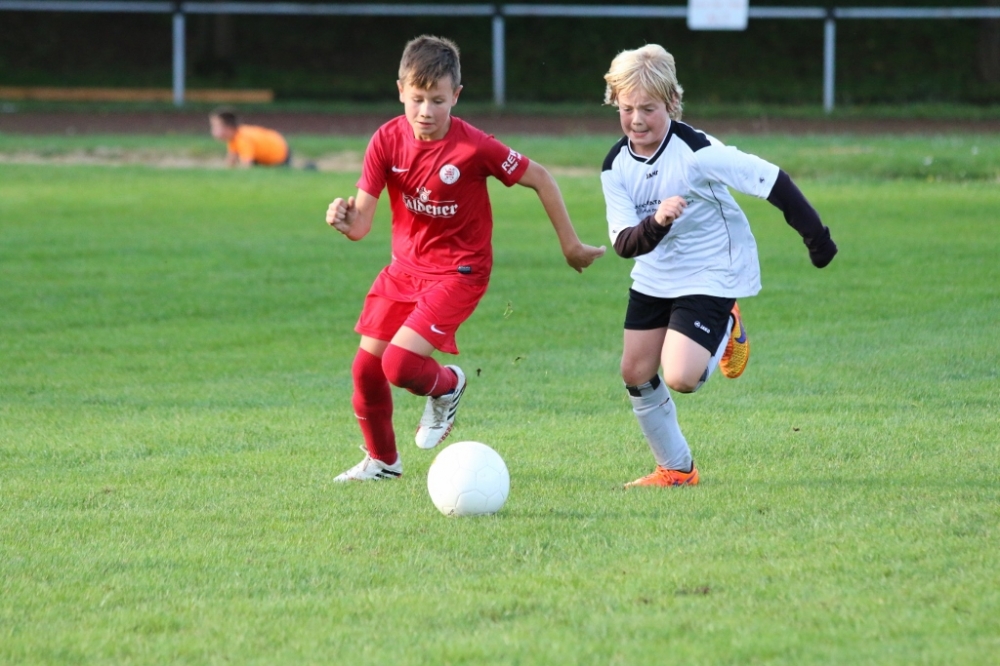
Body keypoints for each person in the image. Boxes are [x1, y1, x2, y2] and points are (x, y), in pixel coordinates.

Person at [325, 35, 606, 482]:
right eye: (417, 99)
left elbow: (540, 177)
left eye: (438, 100)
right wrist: (343, 219)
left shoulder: (474, 146)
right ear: (400, 91)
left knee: (399, 365)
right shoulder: (385, 140)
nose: (426, 111)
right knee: (366, 370)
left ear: (456, 95)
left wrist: (570, 245)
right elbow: (360, 225)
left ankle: (449, 385)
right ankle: (383, 462)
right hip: (404, 270)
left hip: (460, 271)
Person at [600, 44, 838, 488]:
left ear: (672, 102)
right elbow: (625, 244)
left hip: (712, 268)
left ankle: (728, 322)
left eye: (648, 109)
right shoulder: (615, 165)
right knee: (635, 372)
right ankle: (676, 470)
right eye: (627, 108)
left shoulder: (698, 151)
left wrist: (818, 240)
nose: (636, 120)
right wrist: (658, 221)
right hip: (655, 272)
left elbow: (772, 181)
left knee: (681, 377)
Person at [209, 108, 290, 167]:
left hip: (279, 156)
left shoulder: (242, 139)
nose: (213, 130)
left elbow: (246, 164)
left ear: (228, 128)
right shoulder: (235, 137)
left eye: (216, 127)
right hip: (279, 145)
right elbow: (231, 160)